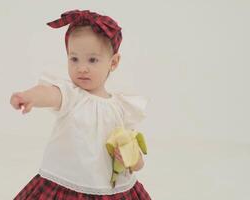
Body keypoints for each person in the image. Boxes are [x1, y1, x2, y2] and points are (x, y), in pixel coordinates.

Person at [10, 9, 151, 200]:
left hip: (111, 190)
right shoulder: (72, 96)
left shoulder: (122, 107)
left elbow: (136, 157)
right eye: (74, 59)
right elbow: (50, 94)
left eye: (92, 60)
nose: (81, 68)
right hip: (67, 182)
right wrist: (30, 96)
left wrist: (132, 160)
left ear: (113, 62)